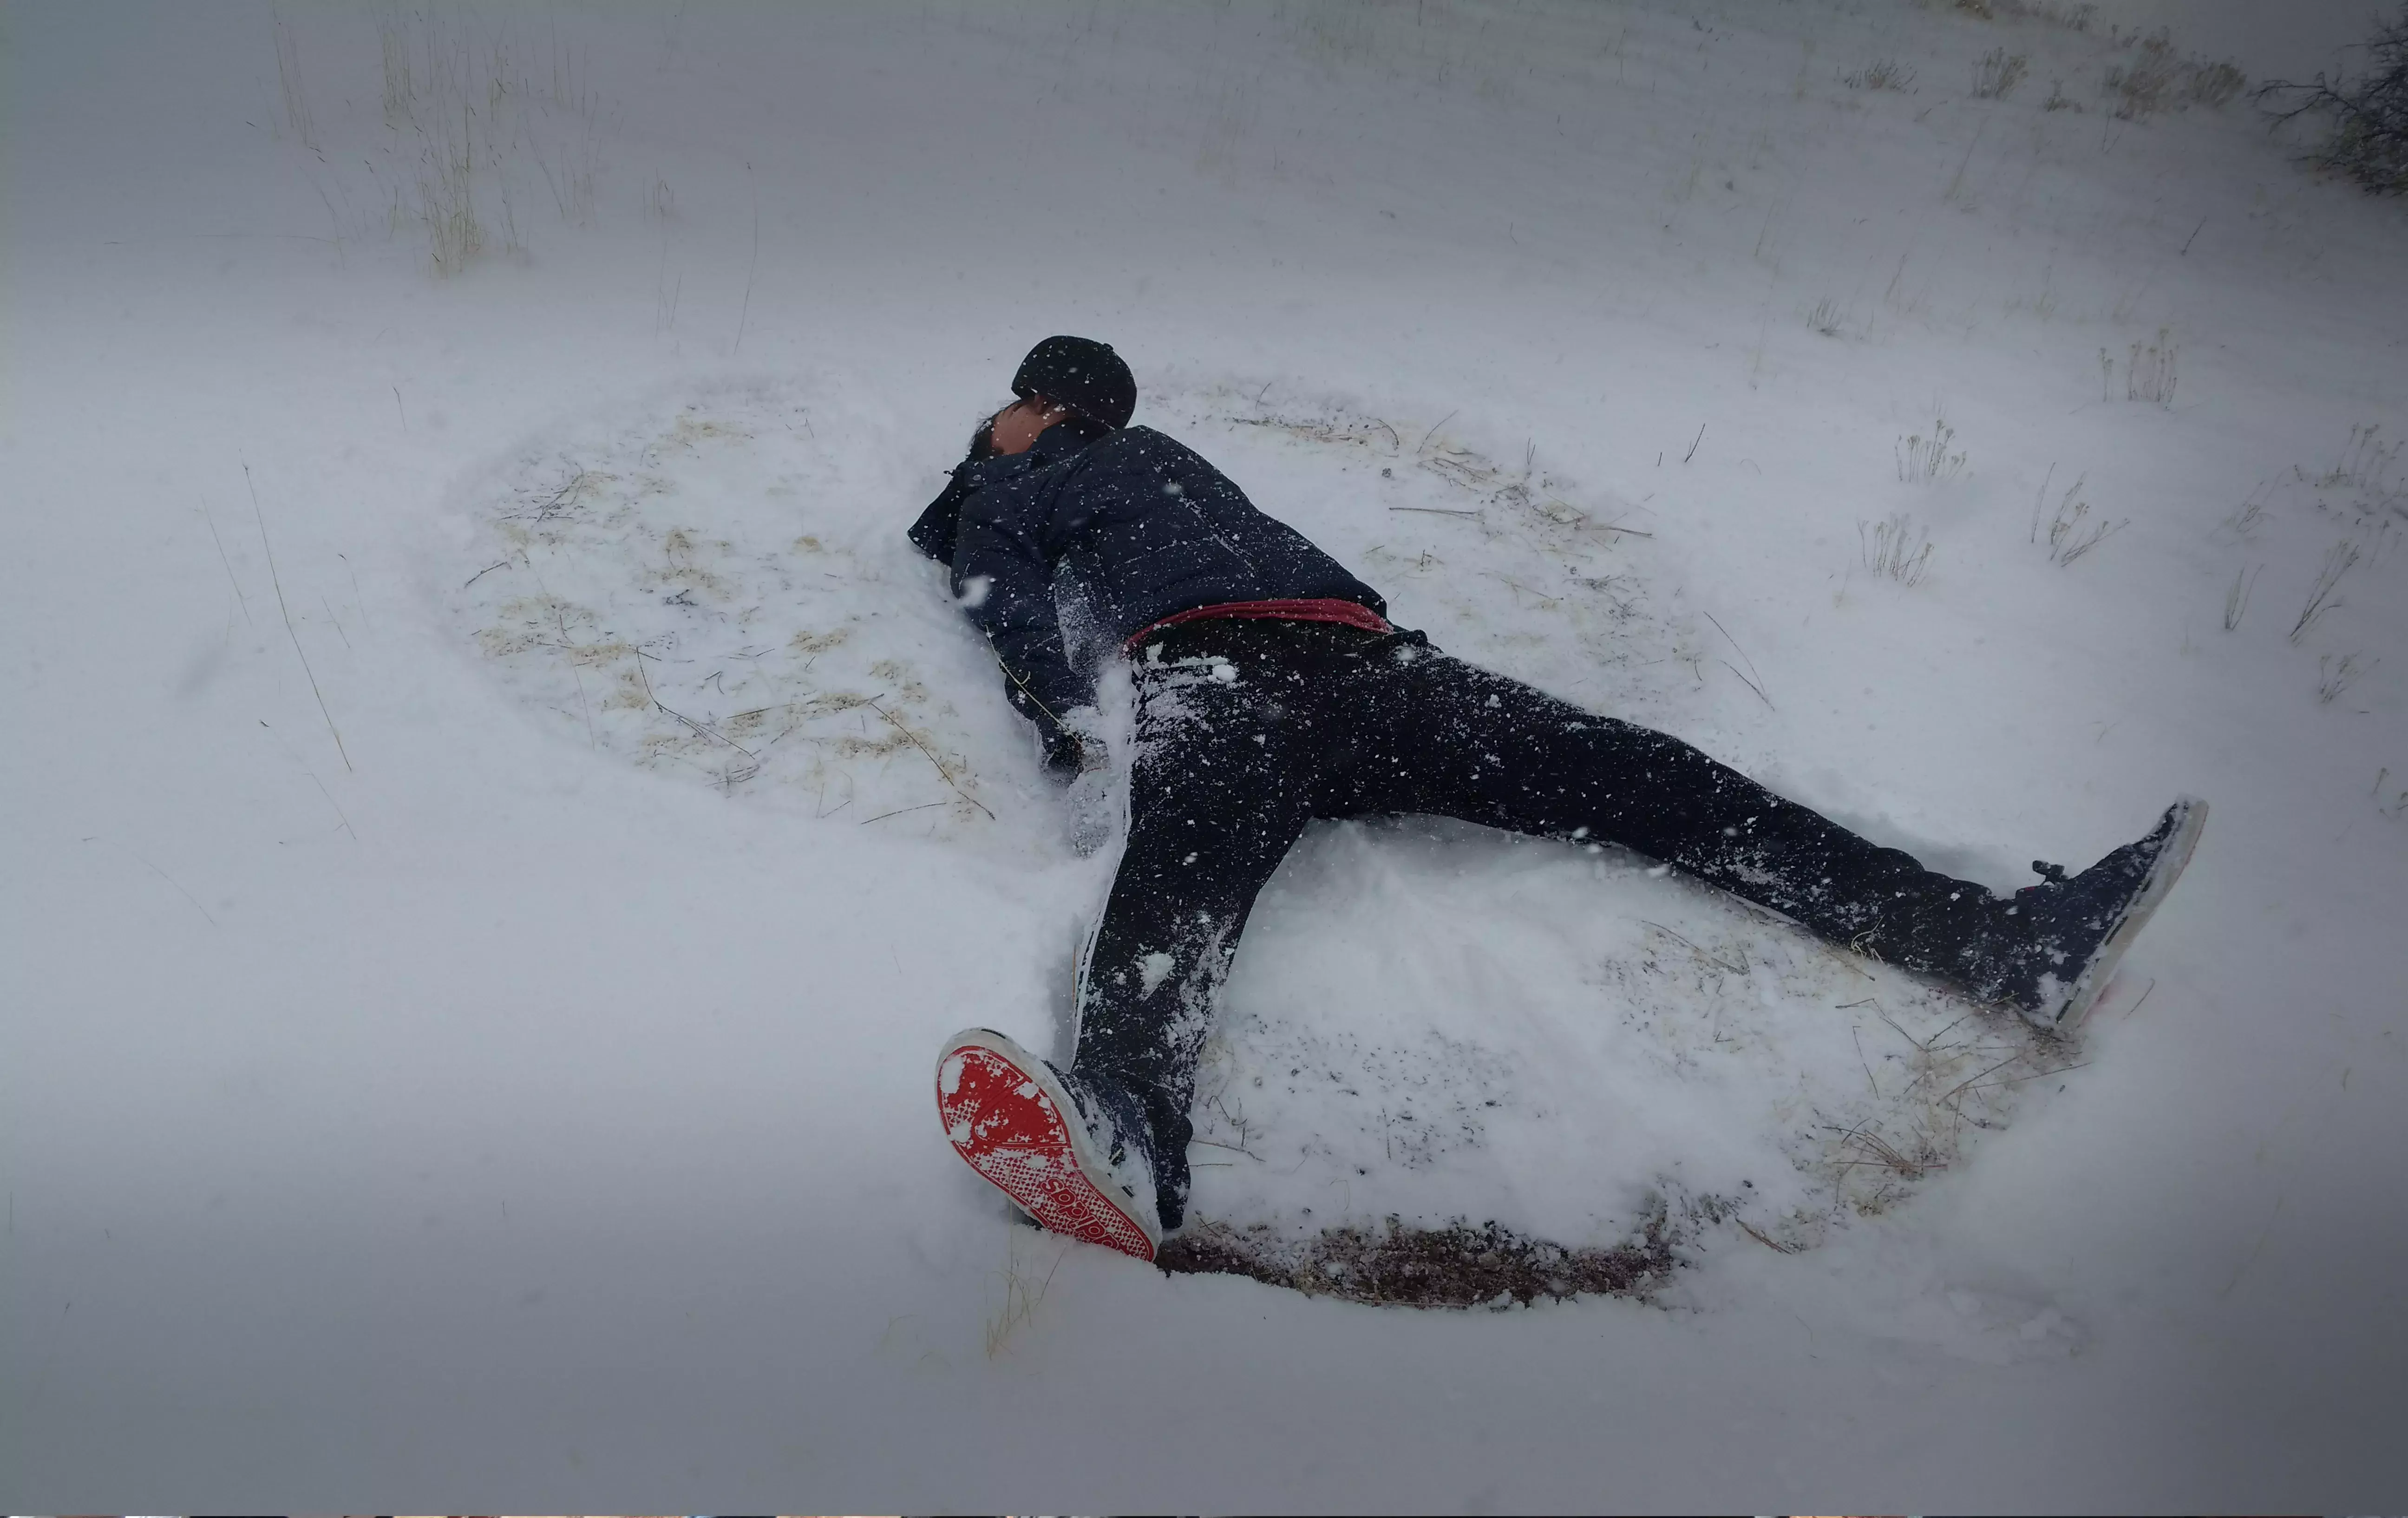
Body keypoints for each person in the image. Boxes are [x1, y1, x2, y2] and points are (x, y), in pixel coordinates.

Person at [919, 335, 2206, 1264]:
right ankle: (1131, 1144)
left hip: (1383, 669)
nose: (1020, 413)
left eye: (1032, 400)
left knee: (1663, 781)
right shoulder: (1003, 486)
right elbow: (996, 594)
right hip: (1217, 679)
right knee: (1179, 891)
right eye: (1017, 402)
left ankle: (2005, 946)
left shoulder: (1131, 456)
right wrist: (1059, 720)